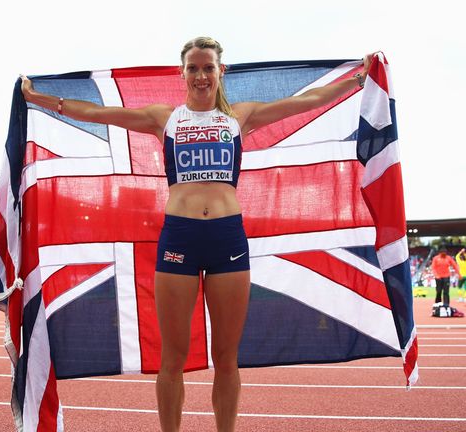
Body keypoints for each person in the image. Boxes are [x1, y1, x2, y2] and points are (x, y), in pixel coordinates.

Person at [21, 37, 372, 432]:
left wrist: (358, 79)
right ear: (182, 72)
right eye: (193, 67)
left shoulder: (241, 116)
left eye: (208, 67)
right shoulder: (164, 118)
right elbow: (100, 114)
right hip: (180, 239)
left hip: (227, 241)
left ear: (221, 71)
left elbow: (308, 102)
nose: (201, 75)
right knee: (172, 358)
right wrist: (43, 100)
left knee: (226, 357)